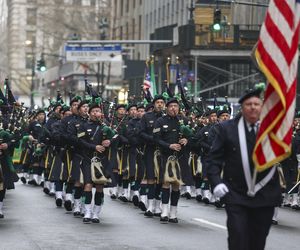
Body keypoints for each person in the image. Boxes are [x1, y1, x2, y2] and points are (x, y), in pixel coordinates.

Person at [207, 89, 282, 250]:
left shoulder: (272, 129)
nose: (253, 107)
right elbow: (213, 159)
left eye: (256, 104)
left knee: (258, 241)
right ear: (242, 107)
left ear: (262, 107)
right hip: (236, 193)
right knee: (238, 237)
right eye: (249, 104)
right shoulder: (227, 129)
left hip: (265, 194)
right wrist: (216, 183)